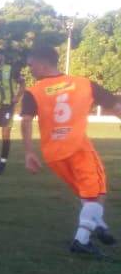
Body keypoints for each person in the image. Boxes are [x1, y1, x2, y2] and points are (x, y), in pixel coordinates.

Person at [22, 46, 119, 256]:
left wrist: (29, 151)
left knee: (86, 193)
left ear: (42, 62)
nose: (29, 69)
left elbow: (26, 121)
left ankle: (99, 225)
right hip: (77, 147)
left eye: (30, 65)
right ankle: (81, 240)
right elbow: (116, 106)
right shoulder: (83, 83)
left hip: (53, 154)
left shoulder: (33, 92)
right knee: (96, 192)